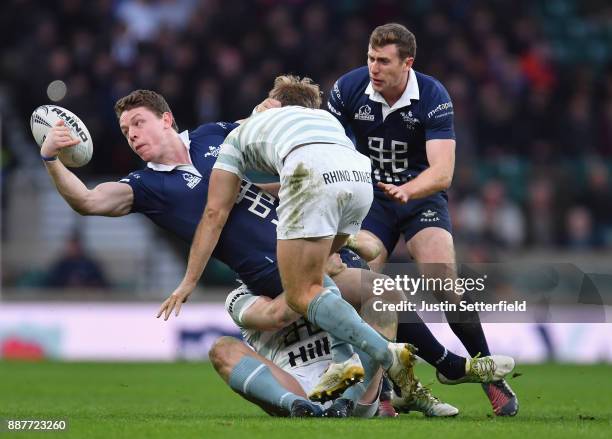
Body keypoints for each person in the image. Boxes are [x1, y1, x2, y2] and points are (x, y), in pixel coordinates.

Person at [41, 89, 513, 416]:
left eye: (138, 123)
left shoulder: (213, 136)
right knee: (369, 285)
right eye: (125, 131)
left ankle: (402, 387)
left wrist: (271, 110)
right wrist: (51, 159)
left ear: (166, 119)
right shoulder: (143, 186)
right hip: (273, 272)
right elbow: (85, 200)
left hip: (307, 238)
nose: (132, 135)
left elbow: (268, 125)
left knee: (377, 283)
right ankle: (436, 369)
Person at [156, 75, 424, 405]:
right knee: (337, 278)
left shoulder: (238, 140)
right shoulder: (326, 123)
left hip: (310, 179)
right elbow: (276, 315)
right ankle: (400, 378)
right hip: (355, 176)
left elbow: (215, 213)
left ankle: (385, 366)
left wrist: (188, 282)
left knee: (310, 291)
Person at [326, 23, 518, 416]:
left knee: (442, 279)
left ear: (407, 63)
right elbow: (330, 147)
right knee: (366, 288)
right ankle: (380, 391)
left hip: (420, 197)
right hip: (371, 201)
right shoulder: (348, 89)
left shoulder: (432, 96)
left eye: (383, 61)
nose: (373, 68)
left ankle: (486, 373)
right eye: (370, 58)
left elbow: (443, 172)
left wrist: (408, 190)